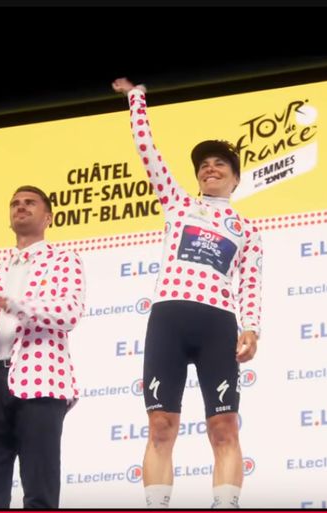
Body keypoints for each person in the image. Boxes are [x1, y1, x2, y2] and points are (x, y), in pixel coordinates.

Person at [112, 78, 263, 509]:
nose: (210, 169)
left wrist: (252, 328)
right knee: (161, 424)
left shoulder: (247, 228)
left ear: (236, 178)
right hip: (170, 319)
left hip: (218, 322)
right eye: (203, 165)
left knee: (224, 426)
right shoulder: (178, 203)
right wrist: (136, 98)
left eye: (220, 164)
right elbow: (147, 151)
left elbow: (250, 282)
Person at [0, 185, 86, 509]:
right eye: (15, 204)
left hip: (41, 383)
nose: (21, 207)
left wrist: (11, 304)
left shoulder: (64, 260)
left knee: (40, 491)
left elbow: (68, 312)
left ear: (48, 217)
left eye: (29, 203)